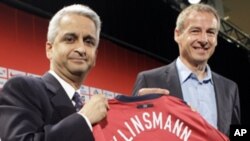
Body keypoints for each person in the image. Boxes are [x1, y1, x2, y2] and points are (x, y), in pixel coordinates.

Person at [0, 4, 109, 141]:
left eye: (89, 41)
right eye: (70, 39)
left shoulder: (96, 111)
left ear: (95, 56)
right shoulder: (22, 88)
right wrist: (84, 119)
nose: (81, 48)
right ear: (49, 49)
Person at [132, 3, 240, 136]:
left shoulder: (230, 88)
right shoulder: (150, 80)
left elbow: (237, 133)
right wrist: (135, 110)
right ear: (177, 35)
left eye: (210, 32)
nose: (203, 40)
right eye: (195, 31)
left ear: (216, 39)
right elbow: (136, 132)